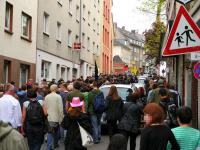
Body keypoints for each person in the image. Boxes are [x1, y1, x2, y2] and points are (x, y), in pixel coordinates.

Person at [44, 84, 64, 150]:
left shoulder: (46, 96)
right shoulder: (58, 97)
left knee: (51, 132)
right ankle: (50, 146)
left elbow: (45, 107)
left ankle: (52, 145)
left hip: (49, 117)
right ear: (56, 89)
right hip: (56, 117)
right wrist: (61, 119)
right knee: (53, 132)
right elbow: (60, 109)